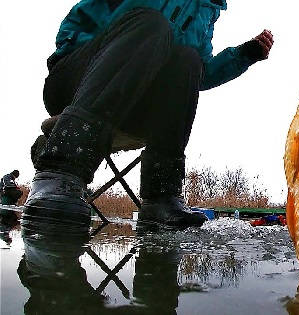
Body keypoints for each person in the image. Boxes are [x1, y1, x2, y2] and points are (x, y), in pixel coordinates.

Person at [25, 0, 274, 229]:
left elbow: (200, 74)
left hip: (132, 103)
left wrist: (244, 55)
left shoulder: (206, 9)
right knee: (153, 25)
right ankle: (60, 172)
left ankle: (161, 198)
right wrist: (96, 51)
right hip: (78, 81)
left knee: (188, 59)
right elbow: (79, 20)